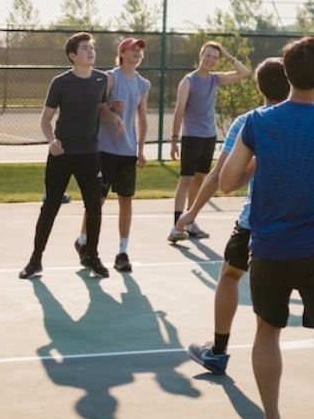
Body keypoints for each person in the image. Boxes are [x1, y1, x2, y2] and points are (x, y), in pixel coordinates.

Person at [218, 37, 314, 419]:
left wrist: (260, 163)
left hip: (269, 248)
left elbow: (227, 182)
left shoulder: (258, 123)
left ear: (285, 72)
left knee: (268, 332)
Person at [184, 57, 289, 376]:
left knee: (230, 275)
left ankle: (218, 351)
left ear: (259, 86)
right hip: (307, 226)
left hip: (257, 221)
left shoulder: (250, 121)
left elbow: (220, 175)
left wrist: (191, 211)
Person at [19, 32, 122, 280]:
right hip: (62, 154)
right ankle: (35, 260)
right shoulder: (60, 83)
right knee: (50, 207)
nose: (90, 52)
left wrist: (113, 115)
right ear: (73, 56)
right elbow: (45, 120)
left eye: (91, 48)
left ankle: (92, 256)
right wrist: (52, 141)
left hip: (90, 155)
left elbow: (99, 110)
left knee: (94, 206)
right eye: (85, 49)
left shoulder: (101, 80)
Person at [74, 37, 151, 273]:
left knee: (126, 200)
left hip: (127, 152)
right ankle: (83, 240)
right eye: (133, 49)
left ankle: (122, 252)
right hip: (105, 150)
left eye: (140, 50)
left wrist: (140, 149)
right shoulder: (109, 78)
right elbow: (96, 108)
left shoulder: (143, 84)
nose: (137, 53)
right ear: (122, 53)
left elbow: (143, 117)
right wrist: (112, 112)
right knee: (97, 200)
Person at [168, 40, 250, 242]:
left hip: (208, 137)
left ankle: (191, 220)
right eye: (208, 55)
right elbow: (179, 110)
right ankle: (177, 225)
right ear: (200, 55)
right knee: (185, 180)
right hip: (191, 137)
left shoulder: (215, 79)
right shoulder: (188, 81)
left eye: (215, 57)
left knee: (199, 179)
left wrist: (227, 54)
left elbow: (243, 73)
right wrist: (174, 139)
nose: (210, 60)